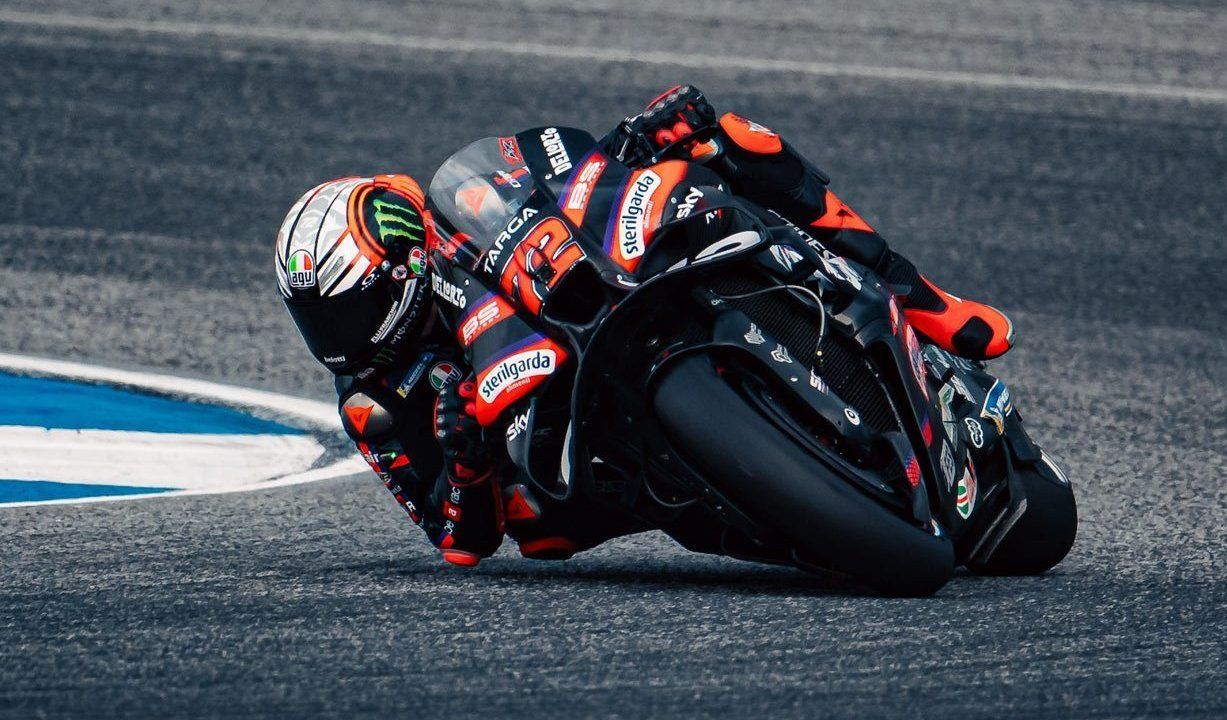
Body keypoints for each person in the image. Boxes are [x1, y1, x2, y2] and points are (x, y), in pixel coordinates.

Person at [274, 85, 1015, 568]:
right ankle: (786, 501)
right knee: (547, 528)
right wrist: (465, 461)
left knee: (721, 136)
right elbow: (457, 539)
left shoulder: (457, 218)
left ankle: (925, 302)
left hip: (593, 306)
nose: (335, 336)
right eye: (315, 319)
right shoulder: (370, 402)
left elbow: (555, 171)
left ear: (402, 269)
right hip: (582, 473)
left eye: (345, 309)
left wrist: (635, 139)